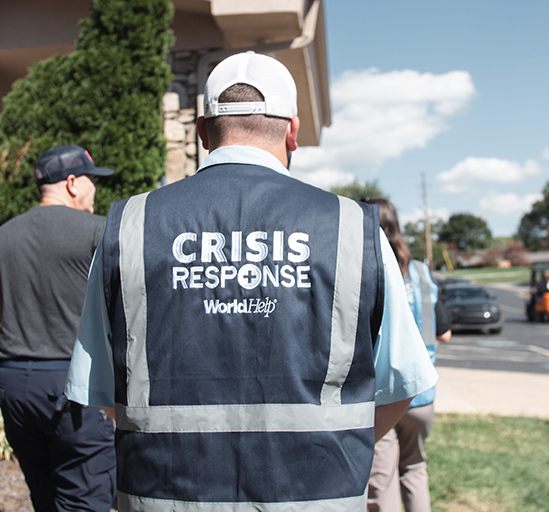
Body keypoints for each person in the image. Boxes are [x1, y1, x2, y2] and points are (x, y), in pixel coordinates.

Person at [63, 52, 437, 511]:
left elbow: (100, 389)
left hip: (166, 495)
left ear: (203, 133)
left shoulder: (129, 227)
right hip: (317, 496)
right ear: (293, 131)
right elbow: (402, 382)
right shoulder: (352, 229)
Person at [0, 145, 117, 512]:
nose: (96, 190)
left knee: (44, 494)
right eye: (92, 181)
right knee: (85, 498)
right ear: (72, 183)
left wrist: (4, 367)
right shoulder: (100, 232)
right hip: (75, 387)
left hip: (14, 386)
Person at [363, 198, 452, 512]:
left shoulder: (370, 267)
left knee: (381, 482)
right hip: (423, 394)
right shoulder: (422, 273)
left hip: (385, 397)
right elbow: (445, 332)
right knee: (415, 469)